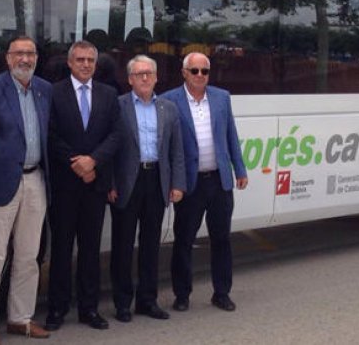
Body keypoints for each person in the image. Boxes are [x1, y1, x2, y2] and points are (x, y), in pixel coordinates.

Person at [0, 36, 53, 345]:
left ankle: (20, 318)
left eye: (31, 53)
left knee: (29, 256)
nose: (25, 59)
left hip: (36, 180)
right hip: (0, 181)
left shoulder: (44, 90)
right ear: (7, 58)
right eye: (19, 53)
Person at [163, 52, 248, 313]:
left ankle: (221, 293)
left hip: (219, 181)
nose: (200, 75)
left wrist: (240, 169)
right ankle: (182, 294)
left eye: (205, 71)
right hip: (190, 183)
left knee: (221, 239)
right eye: (195, 70)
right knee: (184, 240)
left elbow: (231, 134)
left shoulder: (222, 97)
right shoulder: (168, 100)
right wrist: (171, 182)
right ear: (184, 72)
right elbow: (166, 147)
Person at [45, 40, 120, 331]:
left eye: (90, 60)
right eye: (80, 60)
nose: (86, 65)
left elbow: (116, 134)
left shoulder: (109, 94)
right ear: (70, 62)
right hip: (65, 183)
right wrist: (77, 163)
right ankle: (57, 308)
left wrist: (94, 162)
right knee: (62, 250)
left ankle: (89, 309)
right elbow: (50, 135)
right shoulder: (53, 93)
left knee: (90, 250)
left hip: (95, 184)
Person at [107, 55, 185, 323]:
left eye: (149, 73)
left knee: (151, 245)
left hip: (156, 181)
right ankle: (122, 303)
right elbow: (111, 150)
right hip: (128, 182)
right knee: (123, 246)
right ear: (129, 79)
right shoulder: (117, 107)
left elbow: (176, 151)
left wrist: (177, 183)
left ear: (156, 77)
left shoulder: (168, 108)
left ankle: (147, 300)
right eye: (139, 74)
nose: (144, 78)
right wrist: (111, 184)